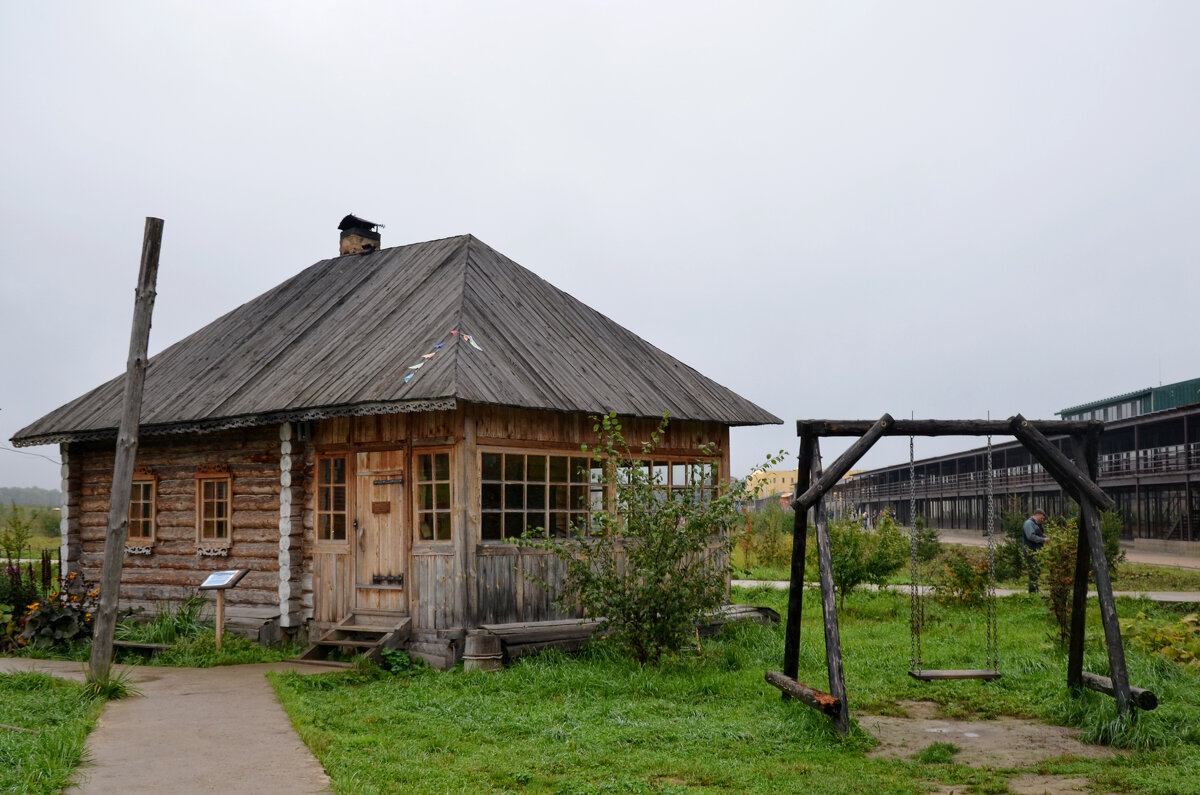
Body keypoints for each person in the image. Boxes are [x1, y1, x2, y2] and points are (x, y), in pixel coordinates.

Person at [1023, 509, 1047, 593]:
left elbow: (1038, 534)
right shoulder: (1029, 523)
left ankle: (1035, 590)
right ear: (1037, 515)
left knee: (1036, 571)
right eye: (1041, 518)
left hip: (1036, 551)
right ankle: (1032, 592)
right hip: (1030, 551)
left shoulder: (1036, 524)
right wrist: (1043, 540)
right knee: (1033, 572)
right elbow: (1031, 536)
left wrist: (1043, 536)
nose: (1042, 520)